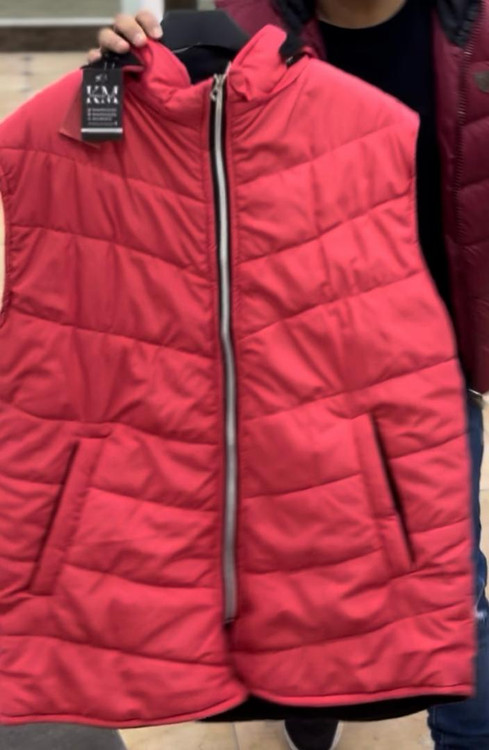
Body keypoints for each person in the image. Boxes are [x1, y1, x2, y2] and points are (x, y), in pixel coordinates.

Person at [91, 2, 489, 749]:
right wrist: (105, 80)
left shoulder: (477, 27)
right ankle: (308, 698)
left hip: (428, 365)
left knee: (451, 581)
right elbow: (106, 161)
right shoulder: (239, 25)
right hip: (284, 362)